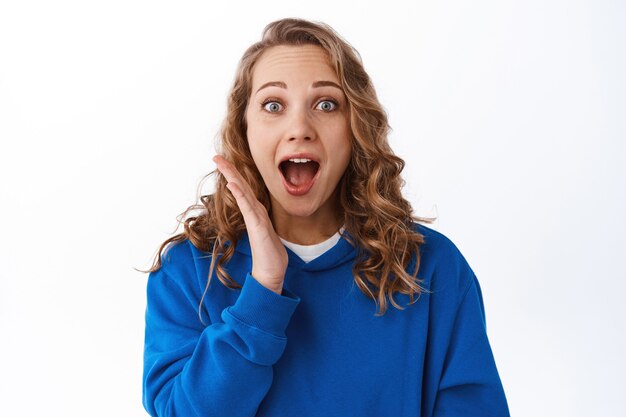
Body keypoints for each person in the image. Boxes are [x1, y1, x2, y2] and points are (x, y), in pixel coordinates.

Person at [141, 18, 510, 417]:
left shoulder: (433, 268)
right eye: (273, 105)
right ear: (243, 130)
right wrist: (263, 291)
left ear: (356, 128)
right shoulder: (188, 271)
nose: (299, 128)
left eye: (326, 104)